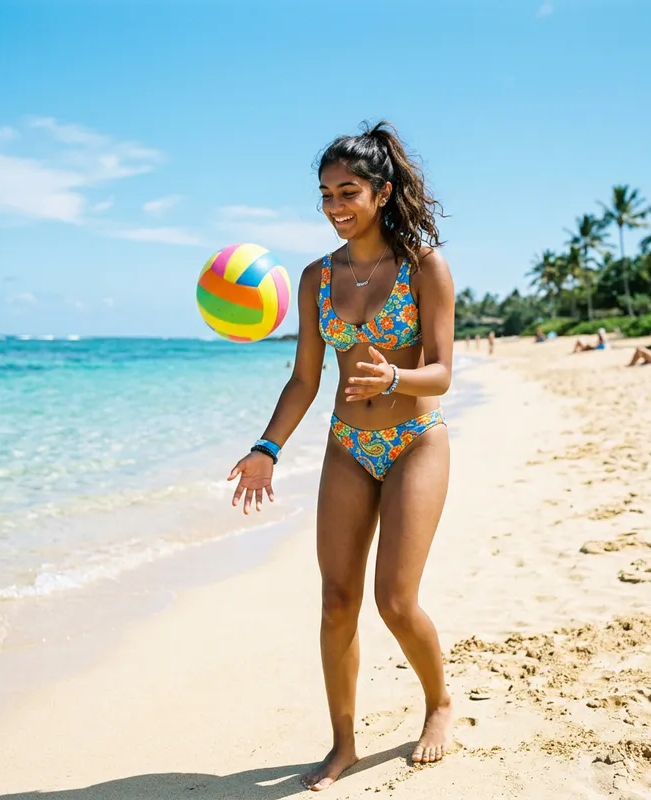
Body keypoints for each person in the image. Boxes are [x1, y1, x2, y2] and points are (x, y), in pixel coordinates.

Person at [227, 121, 455, 791]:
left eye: (347, 192)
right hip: (347, 447)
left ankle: (439, 703)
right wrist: (267, 448)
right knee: (335, 601)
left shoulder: (424, 267)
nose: (334, 206)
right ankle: (344, 743)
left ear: (381, 193)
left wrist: (395, 377)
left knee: (395, 601)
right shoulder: (315, 277)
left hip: (415, 441)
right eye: (325, 194)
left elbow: (442, 373)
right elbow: (305, 378)